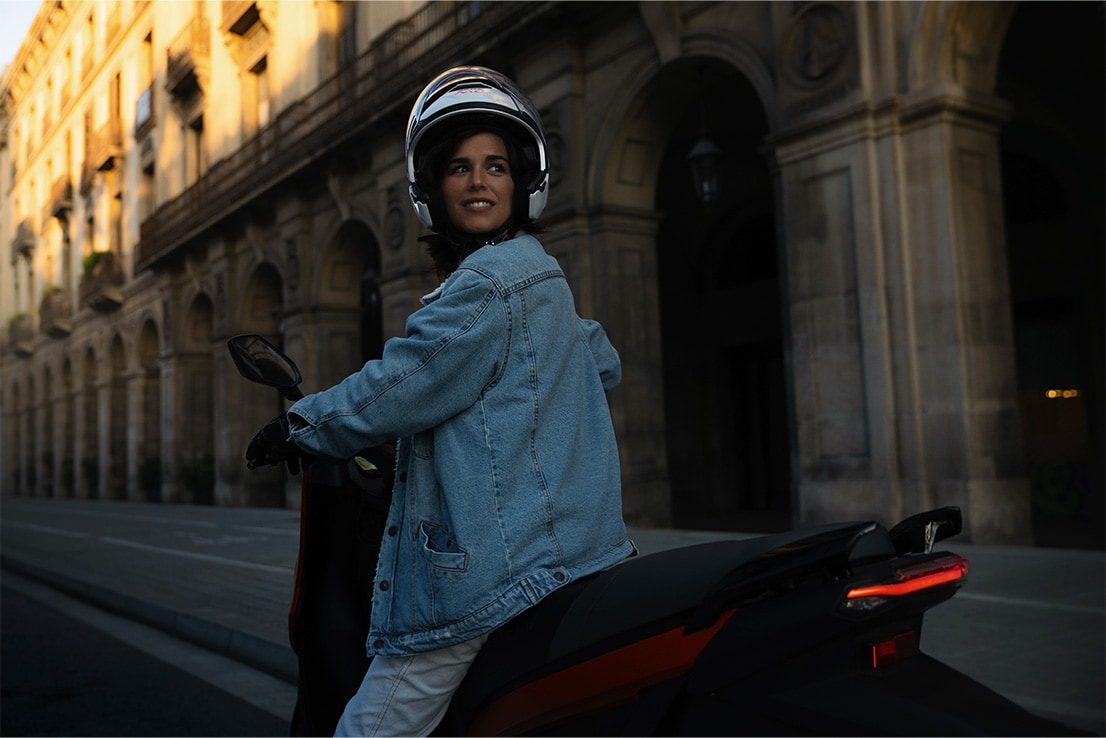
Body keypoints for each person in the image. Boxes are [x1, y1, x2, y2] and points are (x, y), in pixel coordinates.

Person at [246, 66, 634, 737]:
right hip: (576, 555)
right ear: (434, 187)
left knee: (372, 725)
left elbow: (407, 380)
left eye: (495, 166)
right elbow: (601, 361)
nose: (479, 180)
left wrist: (302, 425)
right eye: (459, 167)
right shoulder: (541, 280)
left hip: (497, 571)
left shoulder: (491, 282)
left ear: (522, 182)